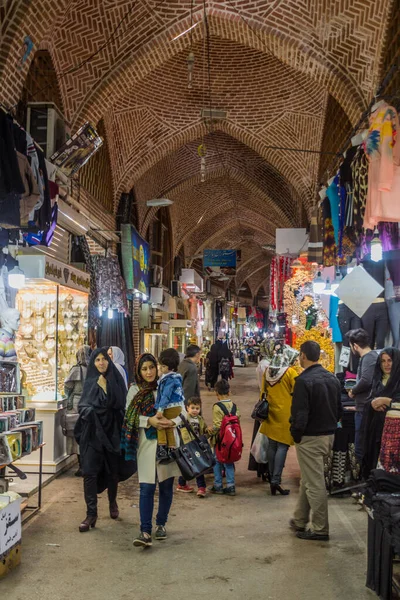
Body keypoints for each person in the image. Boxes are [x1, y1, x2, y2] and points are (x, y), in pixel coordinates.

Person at [121, 353, 181, 548]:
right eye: (144, 369)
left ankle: (161, 524)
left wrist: (172, 421)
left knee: (165, 487)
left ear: (157, 368)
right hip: (146, 446)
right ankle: (145, 531)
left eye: (151, 368)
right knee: (146, 488)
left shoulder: (167, 383)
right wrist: (150, 421)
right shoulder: (134, 390)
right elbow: (129, 417)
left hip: (168, 443)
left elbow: (183, 410)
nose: (149, 372)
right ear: (139, 371)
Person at [290, 341, 342, 541]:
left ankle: (320, 528)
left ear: (303, 355)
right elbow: (339, 409)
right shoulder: (331, 378)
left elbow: (300, 414)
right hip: (328, 435)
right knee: (309, 479)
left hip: (310, 437)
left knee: (315, 483)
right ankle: (300, 519)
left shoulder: (303, 381)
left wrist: (296, 434)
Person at [74, 348, 127, 533]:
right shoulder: (90, 381)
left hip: (112, 433)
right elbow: (82, 406)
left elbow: (120, 403)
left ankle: (112, 502)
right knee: (89, 472)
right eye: (97, 360)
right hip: (92, 433)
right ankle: (91, 514)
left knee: (112, 471)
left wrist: (107, 388)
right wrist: (95, 410)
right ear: (93, 363)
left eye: (104, 359)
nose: (101, 363)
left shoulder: (115, 379)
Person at [259, 344, 299, 496]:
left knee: (272, 446)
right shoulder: (290, 372)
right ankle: (276, 480)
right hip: (285, 413)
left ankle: (272, 479)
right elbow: (297, 393)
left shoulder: (268, 371)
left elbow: (263, 392)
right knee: (282, 447)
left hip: (270, 412)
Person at [366, 348, 400, 475]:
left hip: (396, 435)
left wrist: (387, 401)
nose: (386, 364)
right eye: (383, 361)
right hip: (378, 429)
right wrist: (372, 404)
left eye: (390, 360)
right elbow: (370, 399)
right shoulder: (378, 380)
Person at [346, 329, 379, 462]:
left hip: (365, 408)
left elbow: (366, 380)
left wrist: (353, 391)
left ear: (355, 346)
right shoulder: (370, 357)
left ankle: (362, 476)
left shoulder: (368, 357)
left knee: (361, 444)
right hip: (364, 406)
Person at [209, 379, 241, 496]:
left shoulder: (217, 407)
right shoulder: (234, 406)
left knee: (217, 461)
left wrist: (209, 432)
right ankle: (230, 486)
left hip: (220, 440)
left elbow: (217, 426)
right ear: (229, 392)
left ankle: (218, 485)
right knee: (229, 461)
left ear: (216, 394)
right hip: (232, 440)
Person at [64, 345, 91, 476]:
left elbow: (68, 386)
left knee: (77, 435)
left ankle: (81, 465)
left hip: (76, 403)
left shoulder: (76, 369)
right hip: (89, 404)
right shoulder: (92, 369)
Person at [155, 348, 185, 462]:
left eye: (162, 366)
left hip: (170, 407)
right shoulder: (175, 378)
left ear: (169, 367)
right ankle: (172, 449)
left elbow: (165, 396)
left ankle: (162, 447)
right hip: (176, 407)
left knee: (160, 424)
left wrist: (160, 409)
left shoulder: (168, 380)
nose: (160, 368)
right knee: (169, 427)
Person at [176, 396, 209, 497]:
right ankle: (199, 487)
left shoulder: (200, 419)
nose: (195, 410)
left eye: (197, 408)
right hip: (186, 446)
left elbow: (203, 430)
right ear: (187, 408)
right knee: (190, 466)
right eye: (193, 408)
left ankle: (198, 487)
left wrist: (208, 432)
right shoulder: (184, 418)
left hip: (196, 446)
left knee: (198, 466)